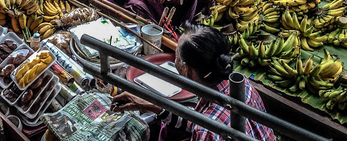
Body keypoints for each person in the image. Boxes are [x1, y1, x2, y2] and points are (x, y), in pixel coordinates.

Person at [111, 24, 276, 141]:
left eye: (176, 57)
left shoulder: (206, 132)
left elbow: (204, 126)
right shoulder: (240, 83)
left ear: (186, 69)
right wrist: (150, 105)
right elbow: (196, 120)